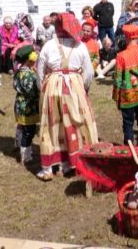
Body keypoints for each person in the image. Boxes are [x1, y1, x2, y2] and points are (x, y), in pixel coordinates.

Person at [36, 13, 97, 181]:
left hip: (53, 85)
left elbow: (40, 70)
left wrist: (43, 87)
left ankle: (49, 167)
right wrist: (81, 87)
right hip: (74, 86)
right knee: (73, 123)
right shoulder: (80, 46)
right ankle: (70, 162)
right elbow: (89, 73)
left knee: (51, 124)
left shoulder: (48, 45)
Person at [112, 25, 138, 146]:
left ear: (126, 37)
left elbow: (118, 79)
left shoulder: (121, 55)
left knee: (128, 121)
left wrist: (116, 97)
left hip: (127, 95)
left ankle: (129, 145)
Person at [13, 44, 39, 165]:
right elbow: (33, 92)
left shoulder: (18, 72)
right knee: (29, 131)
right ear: (30, 59)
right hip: (28, 106)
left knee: (21, 126)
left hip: (19, 104)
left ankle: (18, 144)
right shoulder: (29, 75)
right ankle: (26, 155)